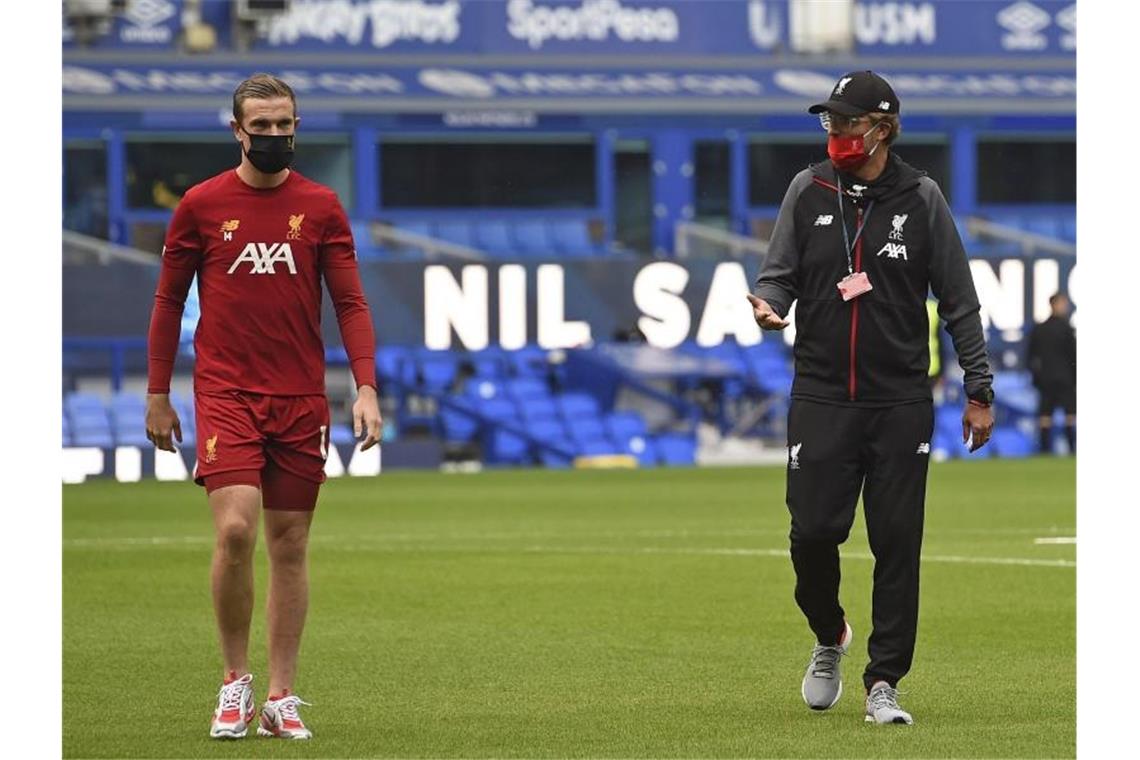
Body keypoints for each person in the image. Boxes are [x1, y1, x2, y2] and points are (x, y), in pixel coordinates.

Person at [746, 71, 994, 725]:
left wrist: (979, 389)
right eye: (827, 121)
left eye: (846, 122)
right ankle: (829, 635)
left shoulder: (922, 199)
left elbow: (960, 303)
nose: (834, 132)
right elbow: (777, 276)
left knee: (896, 543)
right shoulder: (807, 190)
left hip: (901, 401)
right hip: (822, 395)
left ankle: (883, 681)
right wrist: (769, 307)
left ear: (881, 128)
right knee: (812, 534)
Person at [145, 74, 382, 741]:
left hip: (300, 395)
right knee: (237, 531)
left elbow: (350, 303)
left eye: (286, 126)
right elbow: (167, 302)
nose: (276, 137)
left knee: (291, 542)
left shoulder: (323, 207)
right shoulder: (199, 205)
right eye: (263, 127)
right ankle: (233, 682)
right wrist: (158, 392)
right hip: (226, 391)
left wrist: (364, 384)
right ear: (237, 130)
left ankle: (281, 696)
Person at [1027, 292, 1076, 454]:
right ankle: (1071, 449)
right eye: (1063, 303)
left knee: (1046, 415)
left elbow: (1030, 357)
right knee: (1068, 414)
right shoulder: (1067, 329)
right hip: (1065, 379)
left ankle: (1045, 450)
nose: (1065, 307)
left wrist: (1035, 378)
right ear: (1055, 304)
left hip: (1045, 379)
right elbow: (1074, 355)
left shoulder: (1039, 329)